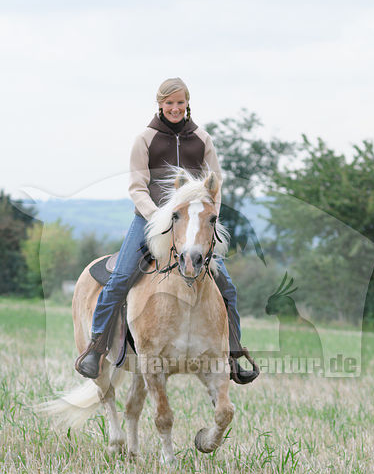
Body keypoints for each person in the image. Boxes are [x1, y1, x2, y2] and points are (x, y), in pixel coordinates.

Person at [76, 77, 258, 384]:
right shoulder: (144, 139)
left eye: (180, 102)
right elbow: (136, 188)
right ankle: (96, 348)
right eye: (169, 102)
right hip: (149, 220)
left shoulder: (202, 139)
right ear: (160, 104)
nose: (175, 108)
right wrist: (158, 216)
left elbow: (216, 186)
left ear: (188, 104)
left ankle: (234, 352)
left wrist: (208, 216)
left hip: (193, 224)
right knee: (120, 279)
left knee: (226, 285)